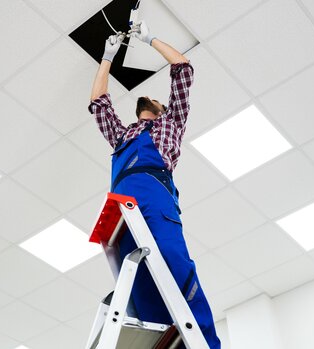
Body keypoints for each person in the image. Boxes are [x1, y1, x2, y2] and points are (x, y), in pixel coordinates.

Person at [88, 20, 221, 349]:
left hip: (154, 199)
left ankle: (205, 343)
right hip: (121, 210)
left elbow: (183, 68)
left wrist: (150, 39)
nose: (147, 100)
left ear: (162, 108)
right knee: (137, 289)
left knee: (174, 265)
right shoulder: (122, 135)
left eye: (153, 99)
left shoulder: (171, 122)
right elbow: (98, 104)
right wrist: (107, 56)